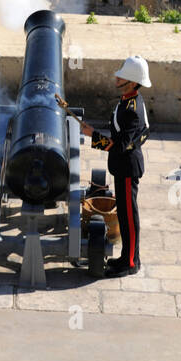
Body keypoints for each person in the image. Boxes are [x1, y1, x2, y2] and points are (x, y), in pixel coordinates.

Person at [59, 56, 151, 277]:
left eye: (121, 75)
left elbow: (119, 145)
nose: (116, 76)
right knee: (126, 215)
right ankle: (127, 257)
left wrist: (94, 136)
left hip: (127, 168)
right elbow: (143, 132)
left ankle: (130, 263)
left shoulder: (132, 109)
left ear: (131, 82)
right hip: (123, 166)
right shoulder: (128, 100)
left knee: (129, 217)